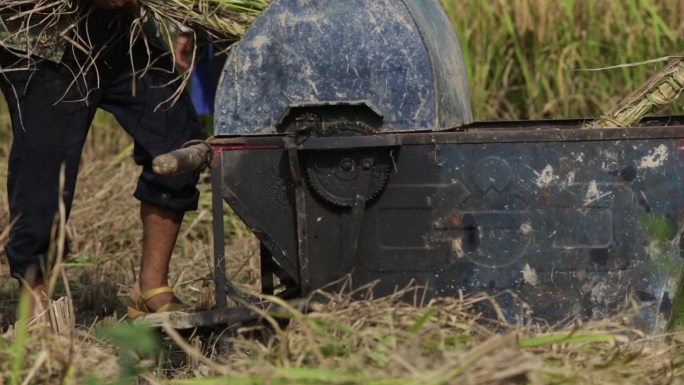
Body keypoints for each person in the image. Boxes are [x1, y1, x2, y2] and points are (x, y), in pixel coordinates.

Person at [0, 0, 202, 323]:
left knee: (177, 134)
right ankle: (33, 298)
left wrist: (184, 21)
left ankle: (152, 286)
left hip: (122, 29)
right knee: (47, 167)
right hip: (46, 36)